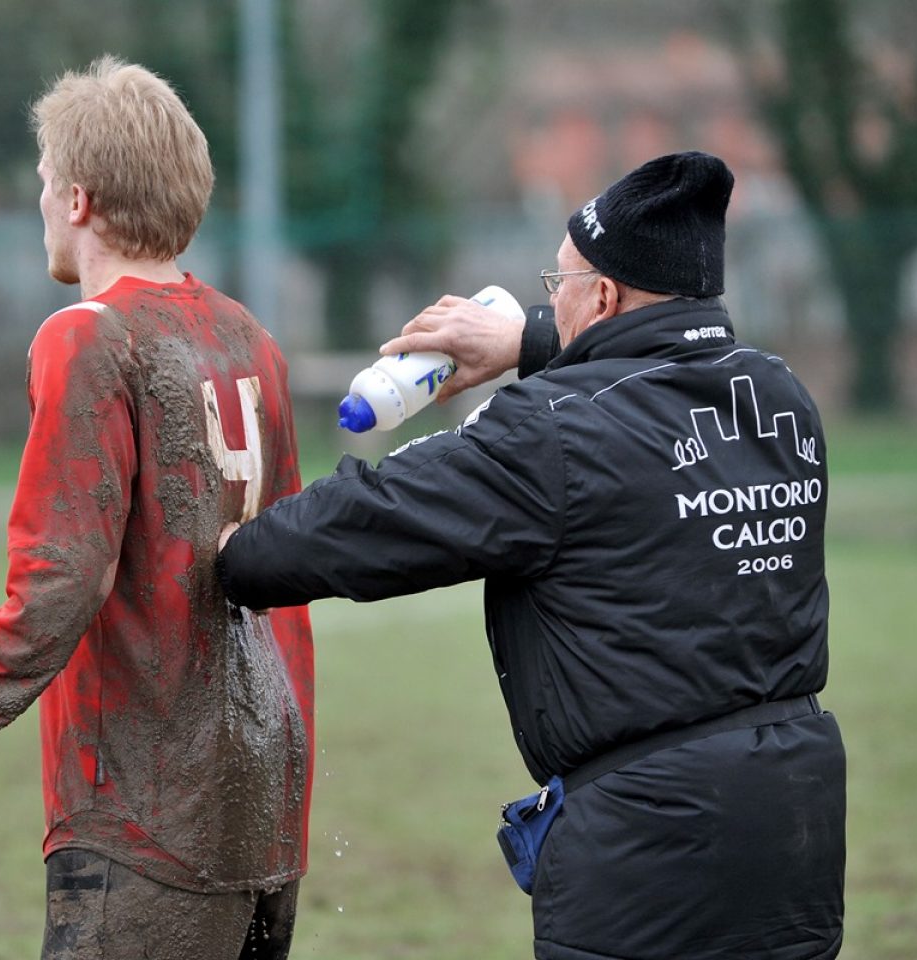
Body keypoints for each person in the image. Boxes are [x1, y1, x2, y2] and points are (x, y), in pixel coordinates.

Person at [217, 151, 845, 960]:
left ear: (606, 296)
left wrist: (240, 553)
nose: (551, 299)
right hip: (798, 816)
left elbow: (376, 517)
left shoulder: (552, 432)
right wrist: (529, 339)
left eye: (559, 284)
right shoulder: (778, 395)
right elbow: (657, 376)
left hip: (650, 846)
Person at [0, 57, 314, 960]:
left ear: (77, 200)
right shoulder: (249, 338)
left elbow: (61, 584)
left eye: (41, 184)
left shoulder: (87, 338)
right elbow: (295, 575)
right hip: (266, 804)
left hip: (145, 814)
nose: (38, 202)